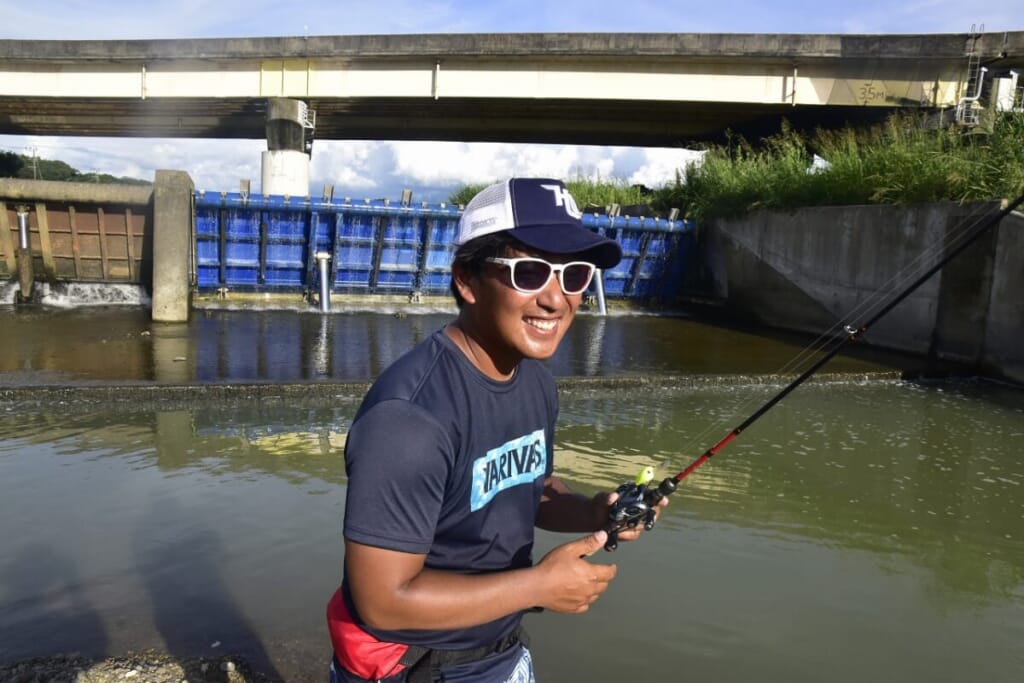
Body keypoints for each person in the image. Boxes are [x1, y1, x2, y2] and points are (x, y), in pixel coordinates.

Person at [326, 177, 664, 683]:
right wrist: (537, 587)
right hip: (418, 667)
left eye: (574, 276)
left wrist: (595, 510)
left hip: (499, 651)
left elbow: (527, 486)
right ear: (467, 280)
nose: (556, 299)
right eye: (529, 273)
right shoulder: (408, 419)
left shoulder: (534, 381)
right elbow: (383, 604)